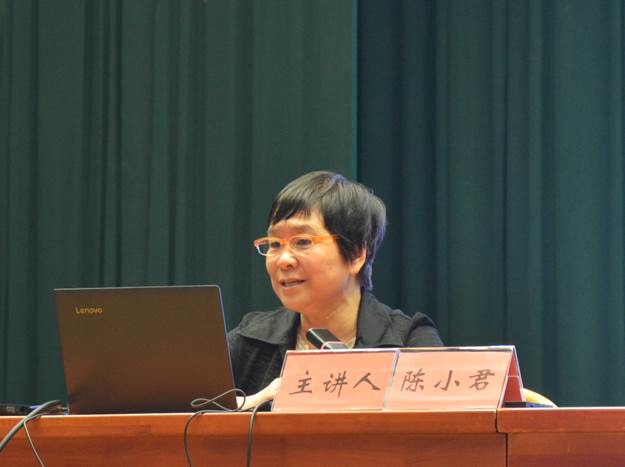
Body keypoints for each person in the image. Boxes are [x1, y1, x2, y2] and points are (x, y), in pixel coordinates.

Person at [228, 171, 443, 408]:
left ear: (356, 254)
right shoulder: (249, 340)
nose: (283, 260)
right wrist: (256, 400)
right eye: (275, 244)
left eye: (302, 242)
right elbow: (197, 409)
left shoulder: (410, 342)